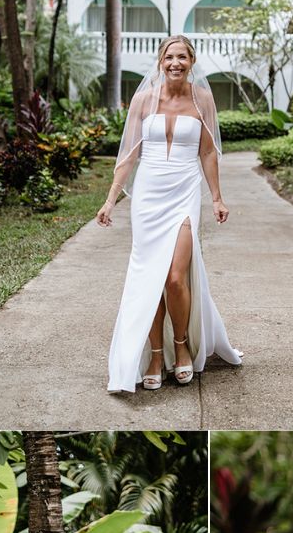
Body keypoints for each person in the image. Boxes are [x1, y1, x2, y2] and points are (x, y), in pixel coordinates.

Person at [97, 34, 242, 393]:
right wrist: (111, 200)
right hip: (148, 196)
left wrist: (217, 198)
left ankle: (181, 346)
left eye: (182, 57)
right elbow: (129, 154)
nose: (175, 63)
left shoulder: (202, 98)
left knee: (176, 277)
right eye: (169, 57)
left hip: (184, 191)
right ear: (160, 61)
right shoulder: (144, 100)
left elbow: (207, 152)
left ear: (192, 62)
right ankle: (156, 355)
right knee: (149, 277)